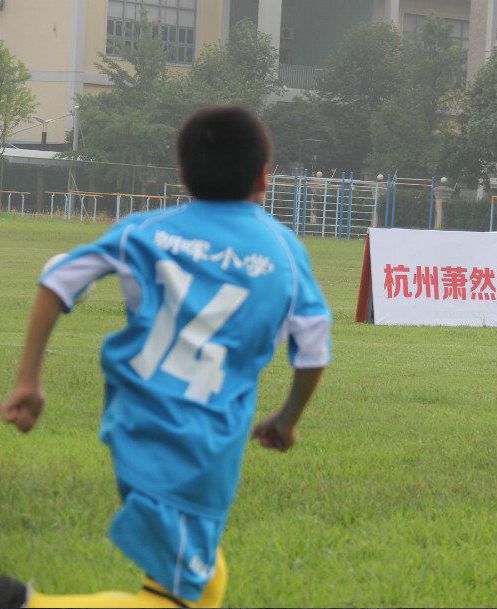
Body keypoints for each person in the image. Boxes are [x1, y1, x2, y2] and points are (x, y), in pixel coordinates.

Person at [0, 106, 332, 608]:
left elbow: (57, 280)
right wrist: (287, 420)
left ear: (182, 174)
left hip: (135, 427)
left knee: (206, 579)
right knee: (176, 603)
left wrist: (29, 381)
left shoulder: (144, 231)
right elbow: (313, 350)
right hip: (196, 450)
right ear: (265, 176)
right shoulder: (284, 253)